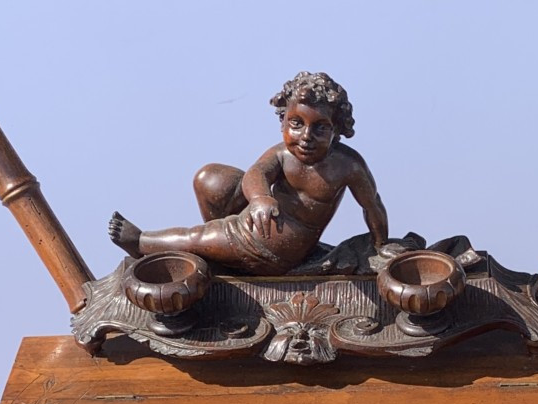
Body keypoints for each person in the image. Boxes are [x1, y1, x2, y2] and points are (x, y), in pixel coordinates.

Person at [108, 71, 388, 274]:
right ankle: (222, 256)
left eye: (320, 128)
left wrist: (381, 244)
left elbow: (372, 205)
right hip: (256, 220)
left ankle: (142, 242)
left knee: (197, 237)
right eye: (296, 123)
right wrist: (261, 198)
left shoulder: (348, 165)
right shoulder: (282, 153)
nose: (306, 136)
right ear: (282, 123)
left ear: (337, 130)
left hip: (275, 248)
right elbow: (257, 174)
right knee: (211, 179)